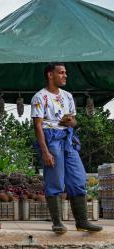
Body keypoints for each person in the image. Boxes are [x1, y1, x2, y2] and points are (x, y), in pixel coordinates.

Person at [31, 62, 101, 233]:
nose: (65, 76)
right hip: (50, 137)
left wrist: (70, 122)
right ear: (50, 75)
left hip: (67, 138)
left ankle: (82, 221)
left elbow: (74, 121)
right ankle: (57, 223)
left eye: (65, 73)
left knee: (78, 178)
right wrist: (45, 151)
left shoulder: (68, 96)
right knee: (55, 179)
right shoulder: (39, 97)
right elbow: (38, 126)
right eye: (61, 73)